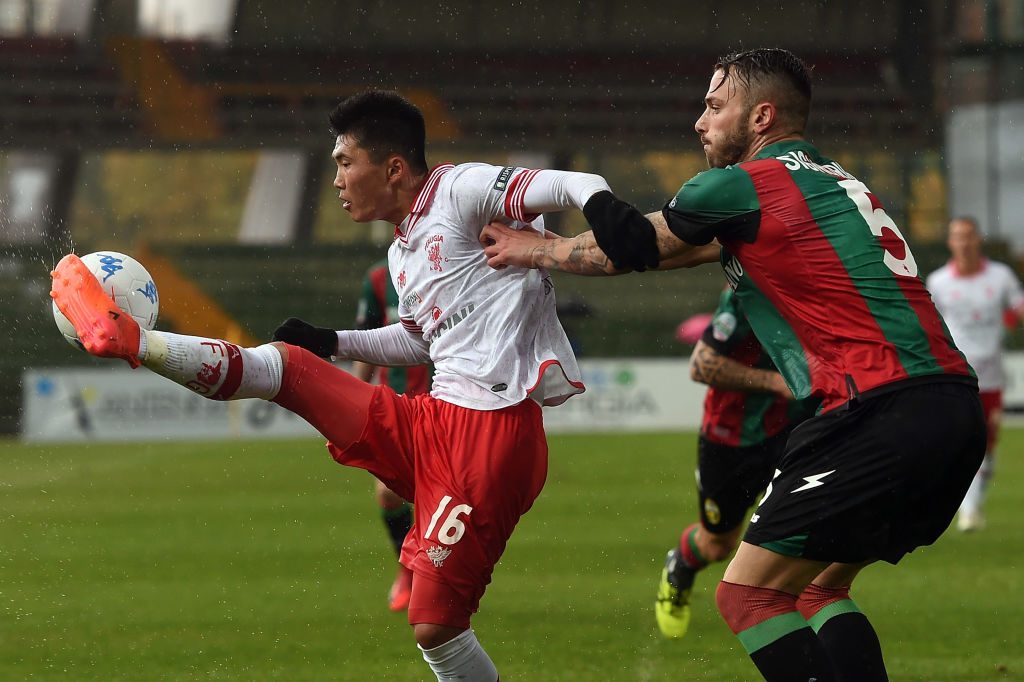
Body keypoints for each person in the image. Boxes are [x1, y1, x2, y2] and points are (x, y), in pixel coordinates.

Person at [51, 90, 616, 682]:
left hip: (490, 436)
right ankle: (137, 343)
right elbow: (420, 343)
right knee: (289, 366)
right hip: (433, 419)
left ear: (393, 167)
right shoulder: (402, 252)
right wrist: (333, 340)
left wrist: (604, 207)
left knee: (437, 626)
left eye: (346, 162)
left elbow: (570, 183)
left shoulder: (458, 189)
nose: (337, 178)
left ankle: (132, 341)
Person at [481, 47, 985, 682]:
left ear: (761, 117)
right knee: (818, 590)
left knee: (746, 595)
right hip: (950, 406)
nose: (700, 121)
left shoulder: (742, 183)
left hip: (879, 408)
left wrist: (538, 244)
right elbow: (660, 253)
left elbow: (634, 245)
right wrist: (547, 249)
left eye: (715, 105)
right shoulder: (830, 182)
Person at [656, 287, 815, 640]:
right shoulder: (748, 294)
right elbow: (701, 366)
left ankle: (803, 610)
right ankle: (681, 565)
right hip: (732, 438)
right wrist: (777, 382)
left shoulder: (821, 281)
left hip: (798, 429)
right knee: (718, 543)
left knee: (806, 529)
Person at [926, 216, 1024, 531]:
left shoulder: (1001, 276)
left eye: (969, 236)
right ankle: (966, 511)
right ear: (950, 242)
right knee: (961, 440)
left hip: (992, 376)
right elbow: (930, 326)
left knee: (988, 444)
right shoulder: (938, 282)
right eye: (958, 237)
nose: (964, 243)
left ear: (977, 240)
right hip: (957, 376)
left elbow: (1018, 308)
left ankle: (972, 505)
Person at [351, 256, 432, 611]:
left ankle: (436, 578)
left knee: (440, 496)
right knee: (388, 493)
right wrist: (350, 400)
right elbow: (367, 341)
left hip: (444, 399)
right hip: (393, 404)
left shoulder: (449, 264)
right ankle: (408, 570)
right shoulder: (379, 280)